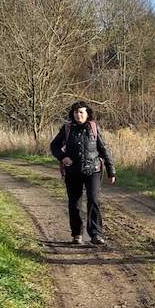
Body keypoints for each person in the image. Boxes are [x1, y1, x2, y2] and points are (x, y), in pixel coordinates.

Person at [49, 101, 116, 246]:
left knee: (93, 200)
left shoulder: (94, 128)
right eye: (75, 112)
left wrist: (111, 171)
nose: (78, 115)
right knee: (75, 203)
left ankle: (96, 234)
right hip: (73, 172)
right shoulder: (67, 128)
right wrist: (63, 157)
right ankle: (77, 234)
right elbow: (54, 146)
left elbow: (104, 149)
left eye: (81, 112)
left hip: (93, 170)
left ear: (87, 114)